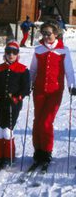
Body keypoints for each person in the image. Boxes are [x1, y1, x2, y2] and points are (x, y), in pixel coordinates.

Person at [30, 20, 76, 169]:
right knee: (37, 121)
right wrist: (27, 84)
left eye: (48, 34)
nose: (45, 36)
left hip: (55, 91)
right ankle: (38, 151)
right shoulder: (38, 50)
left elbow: (69, 70)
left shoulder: (63, 50)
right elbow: (33, 70)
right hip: (39, 90)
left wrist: (72, 85)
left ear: (56, 34)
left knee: (46, 122)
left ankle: (47, 151)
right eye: (43, 33)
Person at [0, 40, 30, 169]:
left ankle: (8, 156)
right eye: (8, 52)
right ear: (5, 53)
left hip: (13, 104)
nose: (11, 55)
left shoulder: (23, 69)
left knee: (7, 130)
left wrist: (17, 98)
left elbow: (25, 88)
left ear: (17, 54)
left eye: (14, 52)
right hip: (1, 103)